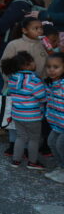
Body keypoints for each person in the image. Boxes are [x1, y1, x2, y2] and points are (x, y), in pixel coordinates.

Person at [1, 51, 46, 169]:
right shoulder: (34, 80)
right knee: (34, 139)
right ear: (27, 64)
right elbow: (42, 97)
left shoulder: (12, 79)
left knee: (20, 137)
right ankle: (32, 162)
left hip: (17, 115)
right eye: (33, 61)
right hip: (33, 116)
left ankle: (16, 160)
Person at [43, 53, 64, 183]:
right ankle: (61, 167)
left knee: (60, 145)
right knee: (51, 142)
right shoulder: (50, 84)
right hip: (57, 123)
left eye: (56, 67)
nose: (51, 70)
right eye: (49, 66)